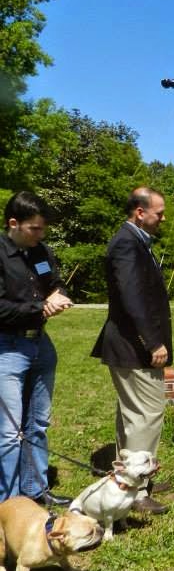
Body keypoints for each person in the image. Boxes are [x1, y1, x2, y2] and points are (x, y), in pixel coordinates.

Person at [92, 187, 172, 515]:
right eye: (159, 213)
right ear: (140, 212)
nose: (163, 218)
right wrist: (152, 342)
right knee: (145, 416)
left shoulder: (135, 241)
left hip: (130, 344)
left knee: (132, 416)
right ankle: (136, 491)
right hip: (134, 346)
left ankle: (133, 480)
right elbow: (132, 297)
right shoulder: (127, 243)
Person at [0, 192, 73, 505]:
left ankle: (35, 490)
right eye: (34, 228)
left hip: (40, 345)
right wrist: (40, 307)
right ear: (13, 223)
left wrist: (58, 294)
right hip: (7, 348)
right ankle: (9, 503)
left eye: (43, 228)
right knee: (9, 432)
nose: (40, 235)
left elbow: (56, 283)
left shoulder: (42, 251)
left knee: (38, 423)